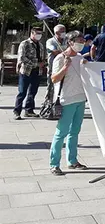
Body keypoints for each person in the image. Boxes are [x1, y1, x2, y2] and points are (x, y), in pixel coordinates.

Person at [49, 31, 89, 175]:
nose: (81, 43)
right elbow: (54, 79)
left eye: (83, 40)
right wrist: (65, 67)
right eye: (79, 40)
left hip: (80, 99)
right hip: (66, 100)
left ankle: (72, 160)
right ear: (70, 42)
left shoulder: (80, 57)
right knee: (61, 133)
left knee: (75, 132)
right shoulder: (60, 58)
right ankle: (54, 163)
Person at [14, 27, 46, 120]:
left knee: (33, 92)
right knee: (22, 92)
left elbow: (41, 57)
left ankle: (29, 110)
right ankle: (17, 111)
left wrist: (43, 63)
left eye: (40, 33)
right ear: (32, 33)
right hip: (26, 71)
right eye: (37, 33)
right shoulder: (25, 44)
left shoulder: (40, 45)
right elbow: (22, 58)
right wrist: (36, 64)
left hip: (37, 71)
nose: (39, 35)